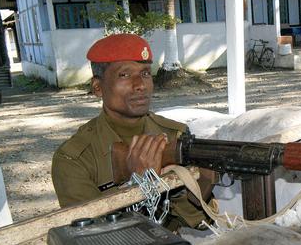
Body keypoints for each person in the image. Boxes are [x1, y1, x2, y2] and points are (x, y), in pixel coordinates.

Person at [51, 33, 212, 231]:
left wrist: (198, 187)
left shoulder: (174, 136)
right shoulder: (74, 158)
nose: (140, 85)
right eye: (125, 75)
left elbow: (199, 222)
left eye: (145, 73)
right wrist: (136, 187)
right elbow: (91, 237)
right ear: (98, 87)